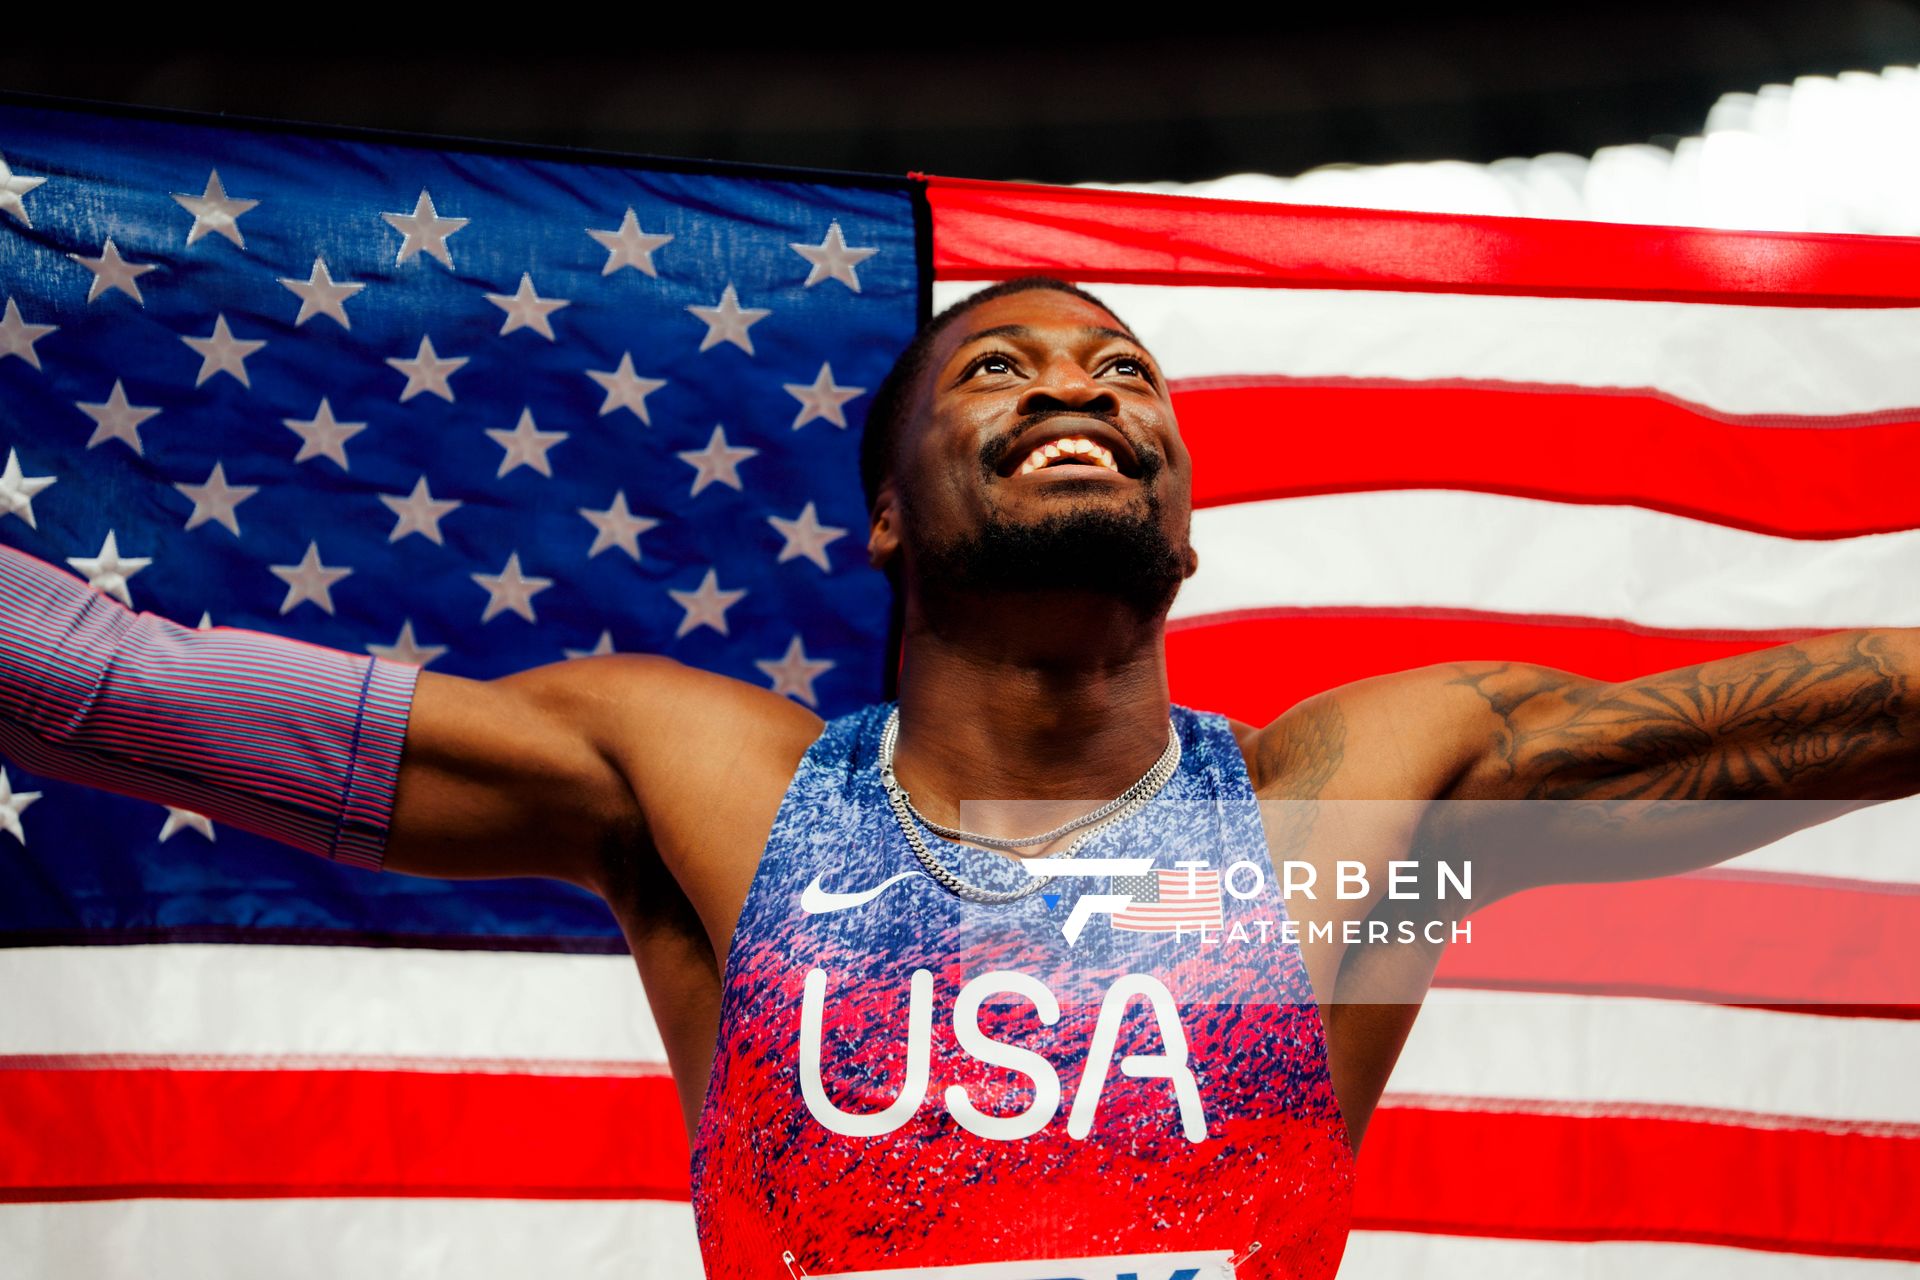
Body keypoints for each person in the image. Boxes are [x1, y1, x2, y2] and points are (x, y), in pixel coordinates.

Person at [0, 276, 1913, 1280]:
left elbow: (1811, 723)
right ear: (890, 521)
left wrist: (1463, 885)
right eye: (1001, 370)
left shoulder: (1367, 829)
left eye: (1123, 372)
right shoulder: (699, 791)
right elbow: (108, 688)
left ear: (1187, 523)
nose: (1083, 388)